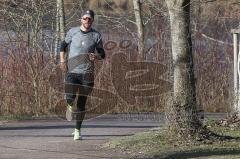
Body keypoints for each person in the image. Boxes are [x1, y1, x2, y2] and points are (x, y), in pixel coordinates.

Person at [59, 10, 105, 140]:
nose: (87, 21)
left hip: (87, 74)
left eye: (89, 19)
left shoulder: (96, 35)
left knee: (81, 103)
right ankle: (69, 104)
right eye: (85, 18)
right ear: (81, 19)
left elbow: (103, 55)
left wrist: (96, 56)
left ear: (92, 20)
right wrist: (62, 61)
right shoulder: (73, 32)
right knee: (70, 96)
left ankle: (77, 130)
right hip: (72, 72)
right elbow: (63, 46)